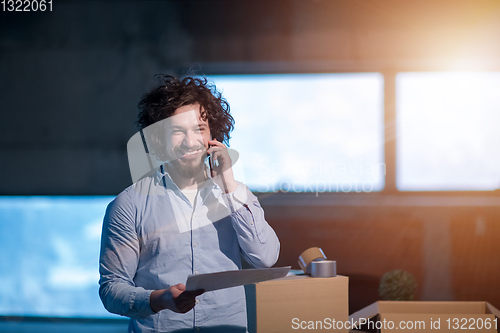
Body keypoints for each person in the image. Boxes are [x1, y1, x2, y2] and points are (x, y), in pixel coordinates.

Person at [98, 75, 280, 333]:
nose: (190, 140)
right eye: (177, 131)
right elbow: (111, 289)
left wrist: (228, 182)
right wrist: (160, 299)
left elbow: (265, 258)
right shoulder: (129, 204)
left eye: (199, 129)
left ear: (213, 136)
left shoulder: (236, 195)